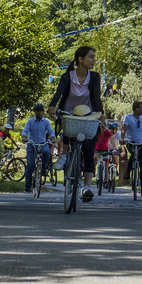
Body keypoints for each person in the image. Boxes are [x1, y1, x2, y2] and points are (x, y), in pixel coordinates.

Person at [48, 46, 104, 202]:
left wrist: (101, 115)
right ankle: (65, 156)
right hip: (69, 113)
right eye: (91, 57)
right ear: (81, 59)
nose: (94, 60)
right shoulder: (67, 77)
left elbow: (95, 98)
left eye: (94, 57)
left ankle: (86, 187)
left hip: (89, 115)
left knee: (89, 149)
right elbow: (59, 93)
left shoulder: (94, 77)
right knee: (68, 131)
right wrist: (52, 106)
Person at [21, 102, 55, 192]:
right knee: (30, 165)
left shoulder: (46, 122)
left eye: (40, 111)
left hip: (42, 143)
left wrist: (52, 138)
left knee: (47, 152)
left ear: (43, 112)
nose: (39, 112)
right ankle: (27, 185)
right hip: (32, 143)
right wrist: (24, 137)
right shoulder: (30, 121)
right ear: (34, 112)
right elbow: (25, 130)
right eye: (37, 111)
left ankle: (43, 169)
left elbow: (51, 131)